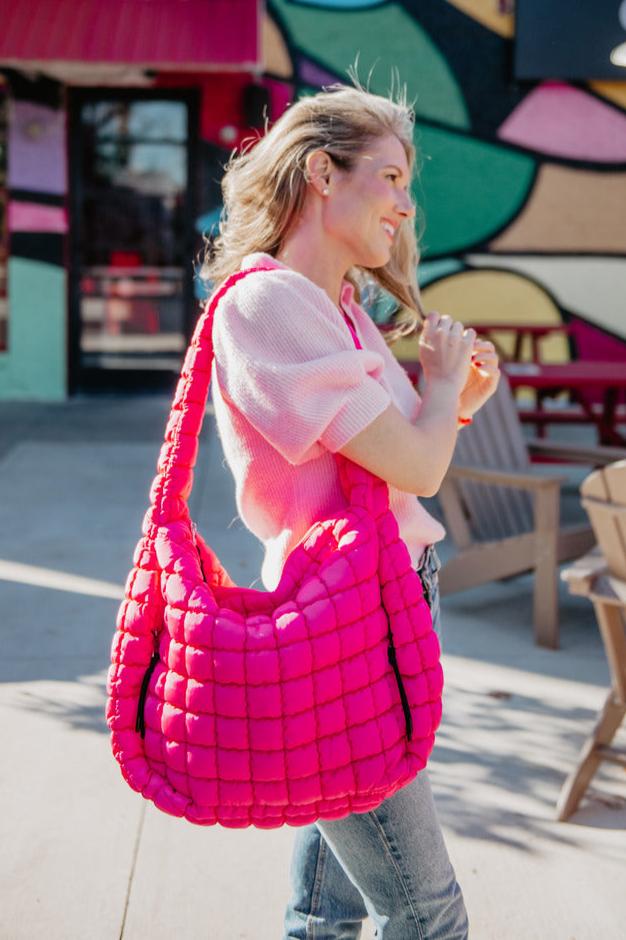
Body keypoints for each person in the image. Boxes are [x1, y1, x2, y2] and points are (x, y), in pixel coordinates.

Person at [200, 81, 500, 940]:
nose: (406, 206)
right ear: (323, 174)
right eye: (393, 178)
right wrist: (437, 387)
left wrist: (456, 398)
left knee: (325, 906)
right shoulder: (269, 302)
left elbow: (401, 458)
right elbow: (419, 463)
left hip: (387, 597)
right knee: (427, 912)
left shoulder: (338, 308)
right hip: (345, 622)